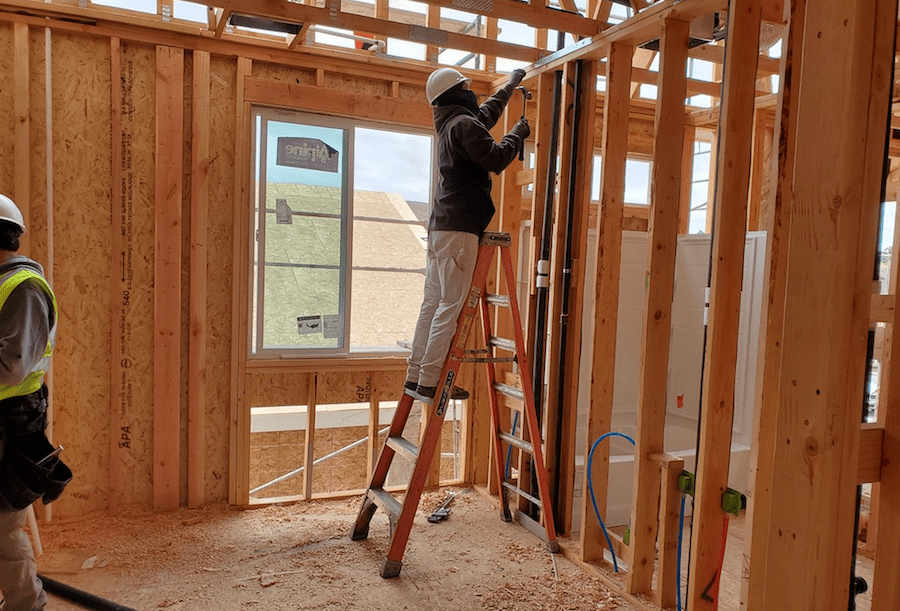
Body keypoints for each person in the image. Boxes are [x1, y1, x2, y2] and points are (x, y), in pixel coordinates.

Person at [405, 67, 530, 404]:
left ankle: (416, 376)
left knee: (432, 304)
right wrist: (519, 133)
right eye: (466, 88)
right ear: (457, 92)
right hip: (460, 231)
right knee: (449, 306)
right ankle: (431, 381)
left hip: (440, 230)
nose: (471, 92)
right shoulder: (463, 125)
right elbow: (496, 158)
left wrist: (510, 85)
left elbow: (485, 114)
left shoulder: (453, 123)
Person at [0, 194, 69, 611]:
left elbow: (11, 367)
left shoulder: (23, 288)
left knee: (3, 528)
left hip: (10, 425)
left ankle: (27, 605)